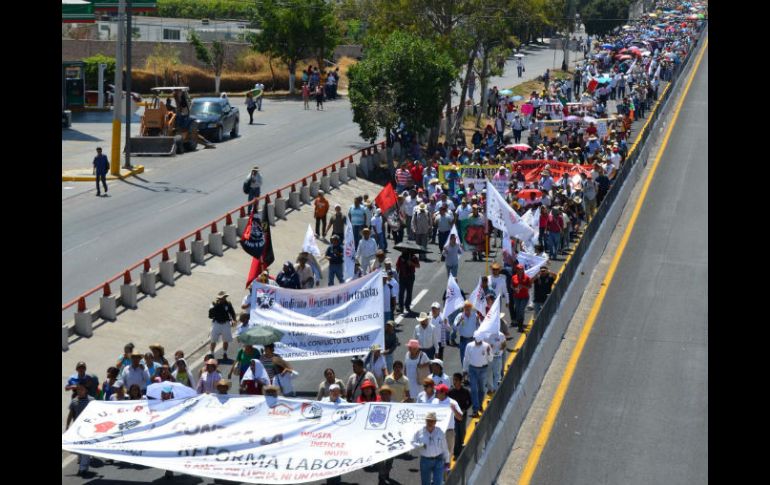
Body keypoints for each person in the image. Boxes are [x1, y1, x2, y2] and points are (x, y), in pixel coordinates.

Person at [412, 412, 451, 485]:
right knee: (425, 483)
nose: (430, 423)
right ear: (425, 421)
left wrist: (447, 461)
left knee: (438, 482)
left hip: (438, 460)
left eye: (432, 421)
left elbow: (445, 447)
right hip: (425, 461)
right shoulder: (419, 432)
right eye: (428, 421)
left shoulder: (440, 432)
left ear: (435, 422)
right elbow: (412, 442)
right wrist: (420, 445)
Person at [66, 383, 95, 476]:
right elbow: (71, 414)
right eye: (78, 389)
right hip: (77, 429)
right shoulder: (74, 401)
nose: (79, 391)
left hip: (89, 428)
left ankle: (82, 469)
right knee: (78, 449)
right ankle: (83, 465)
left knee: (85, 449)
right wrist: (67, 426)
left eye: (81, 389)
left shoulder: (92, 400)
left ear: (86, 390)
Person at [463, 331, 493, 417]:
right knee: (474, 389)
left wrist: (488, 352)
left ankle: (479, 405)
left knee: (482, 390)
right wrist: (464, 370)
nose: (478, 342)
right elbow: (466, 358)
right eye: (477, 341)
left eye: (479, 341)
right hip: (472, 369)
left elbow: (490, 359)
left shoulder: (486, 346)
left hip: (483, 369)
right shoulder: (469, 346)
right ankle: (475, 409)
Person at [431, 384, 463, 460]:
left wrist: (454, 409)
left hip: (448, 433)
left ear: (443, 393)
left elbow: (460, 418)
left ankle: (445, 471)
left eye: (438, 391)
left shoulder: (452, 402)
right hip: (436, 432)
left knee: (447, 456)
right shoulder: (434, 401)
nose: (436, 392)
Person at [448, 373, 472, 459]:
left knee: (462, 432)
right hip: (453, 415)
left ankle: (460, 445)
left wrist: (464, 409)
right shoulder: (450, 392)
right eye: (454, 380)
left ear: (460, 381)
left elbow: (470, 402)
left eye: (456, 380)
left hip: (462, 415)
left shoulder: (465, 391)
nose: (454, 382)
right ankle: (456, 452)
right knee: (456, 433)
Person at [208, 290, 236, 360]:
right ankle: (211, 353)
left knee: (226, 340)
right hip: (216, 323)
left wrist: (234, 320)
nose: (223, 299)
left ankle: (225, 353)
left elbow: (232, 313)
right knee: (213, 340)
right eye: (222, 298)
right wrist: (214, 307)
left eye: (224, 297)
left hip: (225, 323)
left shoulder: (228, 304)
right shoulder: (214, 304)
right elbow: (210, 316)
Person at [511, 264, 532, 332]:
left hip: (524, 297)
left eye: (521, 269)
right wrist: (515, 289)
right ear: (517, 270)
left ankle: (521, 326)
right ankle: (519, 324)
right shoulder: (514, 277)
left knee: (521, 310)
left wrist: (523, 286)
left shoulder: (526, 277)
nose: (520, 271)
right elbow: (511, 285)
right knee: (517, 310)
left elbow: (529, 287)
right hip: (516, 296)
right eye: (519, 269)